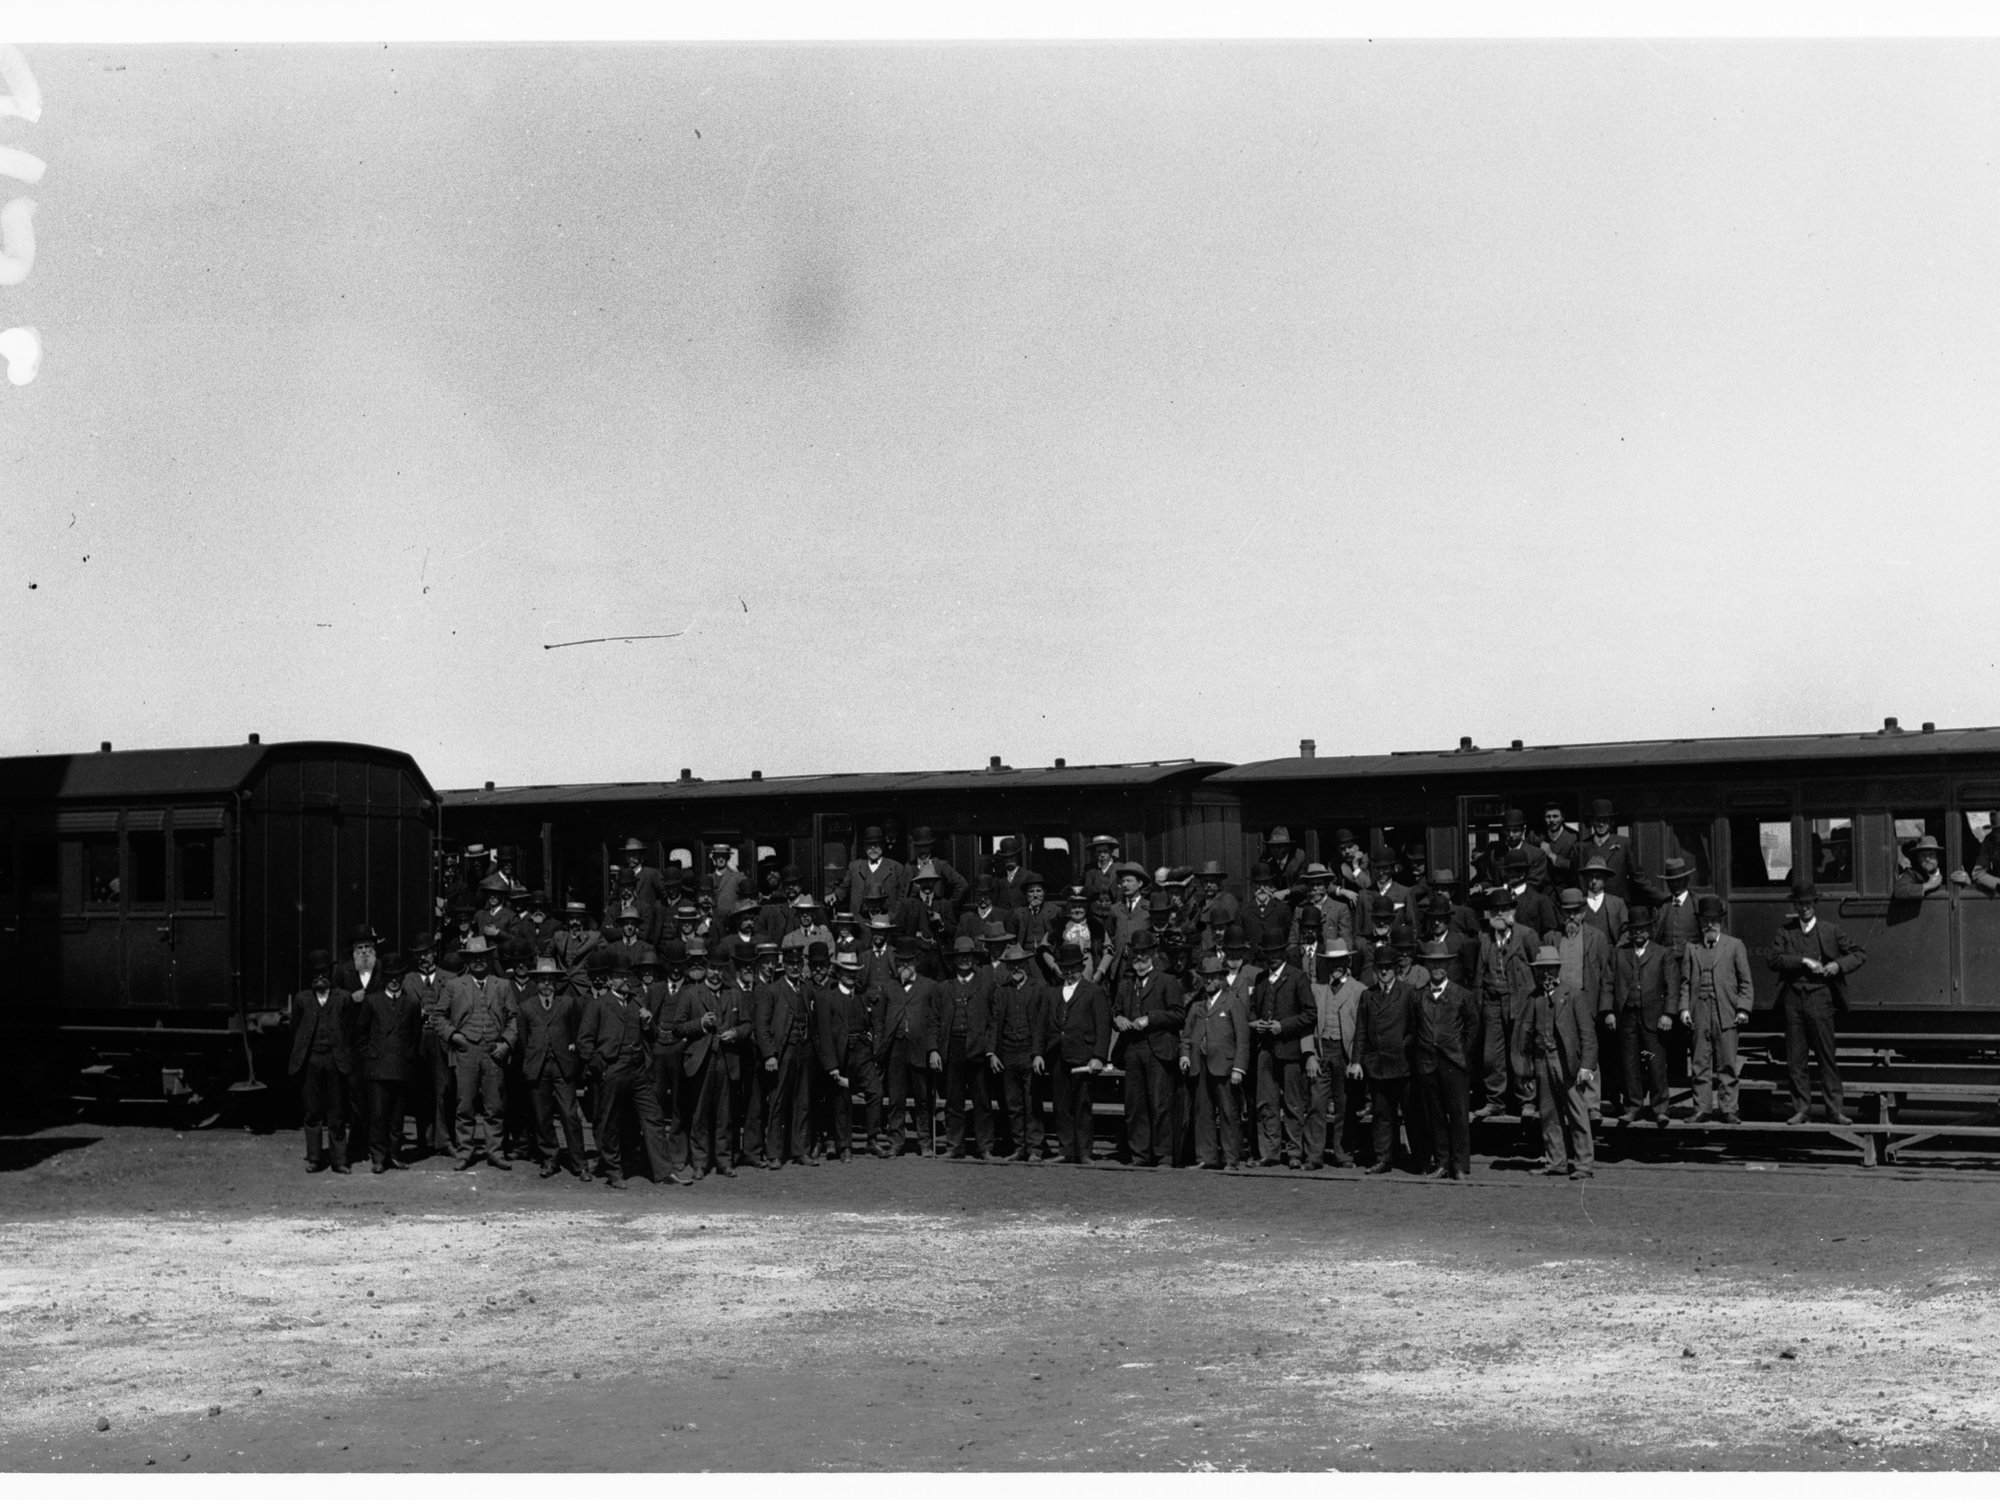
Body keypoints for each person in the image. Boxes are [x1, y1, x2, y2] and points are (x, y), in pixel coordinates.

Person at [578, 949, 686, 1187]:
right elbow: (584, 1042)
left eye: (627, 975)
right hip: (612, 1068)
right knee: (609, 1121)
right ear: (609, 980)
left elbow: (653, 1035)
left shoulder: (637, 1002)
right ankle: (614, 1172)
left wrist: (648, 1023)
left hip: (638, 1070)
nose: (625, 980)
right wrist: (601, 1067)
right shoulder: (599, 1005)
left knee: (653, 1116)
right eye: (620, 976)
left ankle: (664, 1171)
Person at [1770, 874, 1865, 1125]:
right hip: (1793, 1000)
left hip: (1821, 999)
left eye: (1808, 903)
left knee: (1826, 1056)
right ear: (1795, 906)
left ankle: (1834, 1111)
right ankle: (1802, 1110)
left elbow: (1858, 953)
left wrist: (1837, 965)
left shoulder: (1830, 930)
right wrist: (1802, 961)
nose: (1804, 908)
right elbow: (1774, 959)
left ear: (1815, 904)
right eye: (1800, 904)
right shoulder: (1785, 931)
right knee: (1796, 1059)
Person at [439, 937, 519, 1172]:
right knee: (465, 1105)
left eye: (482, 957)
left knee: (495, 1106)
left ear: (488, 958)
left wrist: (506, 1043)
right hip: (467, 1051)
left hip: (494, 1051)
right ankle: (465, 1151)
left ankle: (495, 1152)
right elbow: (438, 1016)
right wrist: (454, 1036)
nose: (478, 961)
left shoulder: (502, 985)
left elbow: (514, 1018)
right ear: (467, 960)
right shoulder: (454, 985)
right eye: (473, 958)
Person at [1518, 944, 1599, 1178]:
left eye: (1551, 969)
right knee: (1549, 1113)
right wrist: (1525, 1069)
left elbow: (1588, 1035)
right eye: (1542, 970)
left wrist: (1586, 1066)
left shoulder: (1573, 995)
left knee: (1577, 1112)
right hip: (1542, 1060)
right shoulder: (1534, 998)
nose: (1546, 974)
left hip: (1567, 1062)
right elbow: (1524, 1035)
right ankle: (1556, 1162)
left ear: (1558, 969)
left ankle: (1583, 1165)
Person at [1111, 929, 1185, 1168]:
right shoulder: (1125, 984)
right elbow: (1115, 1011)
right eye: (1135, 953)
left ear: (1152, 953)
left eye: (1144, 953)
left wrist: (1150, 1019)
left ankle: (1163, 1156)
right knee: (1135, 1106)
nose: (1139, 958)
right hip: (1132, 1049)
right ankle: (1139, 1155)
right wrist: (1118, 1019)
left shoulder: (1166, 981)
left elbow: (1179, 1015)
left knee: (1160, 1104)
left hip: (1158, 1050)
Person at [1680, 895, 1753, 1122]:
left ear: (1720, 922)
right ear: (1700, 923)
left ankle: (1728, 1109)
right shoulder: (1692, 948)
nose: (1709, 925)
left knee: (1727, 1063)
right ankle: (1702, 1108)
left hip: (1726, 1011)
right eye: (1705, 921)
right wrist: (1684, 1009)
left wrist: (1743, 1009)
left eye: (1713, 921)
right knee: (1699, 1063)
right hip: (1699, 1011)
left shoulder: (1734, 945)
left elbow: (1746, 982)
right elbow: (1685, 983)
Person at [515, 954, 590, 1177]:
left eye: (550, 979)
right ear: (536, 982)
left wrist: (571, 1058)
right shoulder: (526, 1006)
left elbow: (576, 1033)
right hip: (538, 1067)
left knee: (570, 1114)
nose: (546, 984)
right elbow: (523, 1039)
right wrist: (532, 1059)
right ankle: (550, 1158)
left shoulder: (567, 1003)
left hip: (562, 1067)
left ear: (556, 982)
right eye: (542, 980)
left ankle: (579, 1163)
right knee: (542, 1116)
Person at [1411, 941, 1479, 1179]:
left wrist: (1462, 1052)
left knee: (1458, 1115)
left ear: (1448, 965)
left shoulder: (1462, 995)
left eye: (1441, 963)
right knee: (1435, 1115)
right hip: (1428, 1063)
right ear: (1426, 966)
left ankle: (1459, 1165)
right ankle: (1442, 1163)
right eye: (1433, 964)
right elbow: (1414, 1028)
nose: (1437, 968)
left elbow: (1473, 1027)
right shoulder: (1418, 996)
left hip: (1454, 1063)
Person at [1248, 930, 1316, 1168]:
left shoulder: (1298, 977)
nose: (1272, 957)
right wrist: (1255, 1023)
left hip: (1289, 1050)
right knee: (1266, 1103)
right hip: (1265, 1050)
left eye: (1276, 952)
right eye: (1269, 953)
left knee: (1293, 1104)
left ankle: (1295, 1152)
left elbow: (1310, 1014)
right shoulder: (1260, 979)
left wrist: (1283, 1027)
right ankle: (1270, 1152)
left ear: (1283, 952)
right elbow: (1252, 1010)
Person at [1547, 888, 1615, 1122]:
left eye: (1576, 912)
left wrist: (1605, 1008)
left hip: (1586, 1001)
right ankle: (1566, 1103)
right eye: (1567, 912)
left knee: (1589, 1050)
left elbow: (1607, 976)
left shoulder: (1597, 937)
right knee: (1562, 1051)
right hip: (1559, 1002)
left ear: (1584, 912)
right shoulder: (1551, 937)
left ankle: (1592, 1104)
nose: (1571, 917)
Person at [1180, 954, 1250, 1171]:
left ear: (1221, 978)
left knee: (1228, 1112)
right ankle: (1206, 1157)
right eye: (1205, 977)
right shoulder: (1197, 1006)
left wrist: (1239, 1067)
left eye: (1213, 977)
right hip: (1199, 1066)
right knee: (1203, 1113)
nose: (1209, 981)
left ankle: (1231, 1159)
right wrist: (1184, 1054)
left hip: (1225, 1067)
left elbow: (1242, 1038)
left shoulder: (1232, 1002)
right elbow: (1186, 1035)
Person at [356, 952, 423, 1173]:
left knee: (397, 1117)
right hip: (377, 1069)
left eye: (398, 976)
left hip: (401, 1068)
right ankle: (378, 1157)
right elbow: (361, 1034)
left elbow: (415, 1036)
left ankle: (394, 1155)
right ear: (384, 977)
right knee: (378, 1116)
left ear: (403, 977)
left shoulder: (411, 1003)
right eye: (390, 976)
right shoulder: (372, 1001)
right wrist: (370, 1055)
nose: (394, 980)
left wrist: (408, 1059)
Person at [930, 936, 996, 1159]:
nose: (964, 960)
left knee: (982, 1101)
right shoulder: (943, 988)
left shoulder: (986, 986)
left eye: (968, 956)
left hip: (978, 1049)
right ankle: (954, 1146)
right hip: (952, 1048)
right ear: (954, 959)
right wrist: (934, 1050)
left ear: (974, 958)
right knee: (953, 1101)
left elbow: (994, 1021)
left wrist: (989, 1049)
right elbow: (934, 1021)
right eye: (960, 956)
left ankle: (984, 1147)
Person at [1044, 942, 1111, 1163]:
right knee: (1061, 1105)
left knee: (1082, 1105)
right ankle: (1066, 1150)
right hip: (1058, 1055)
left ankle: (1084, 1152)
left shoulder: (1094, 992)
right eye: (1065, 968)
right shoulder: (1054, 992)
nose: (1069, 972)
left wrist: (1098, 1057)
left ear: (1081, 968)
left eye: (1073, 968)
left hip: (1083, 1056)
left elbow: (1103, 1026)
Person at [290, 949, 355, 1174]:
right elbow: (295, 1031)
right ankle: (314, 1158)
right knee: (312, 1112)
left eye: (324, 972)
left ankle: (340, 1160)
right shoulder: (302, 999)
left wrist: (345, 1058)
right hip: (311, 1061)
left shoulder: (343, 998)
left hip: (335, 1061)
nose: (320, 976)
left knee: (337, 1113)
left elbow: (350, 1031)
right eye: (316, 973)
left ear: (330, 972)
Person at [1472, 892, 1537, 1119]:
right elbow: (1479, 974)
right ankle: (1495, 1101)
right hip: (1492, 1002)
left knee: (1521, 1052)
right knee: (1492, 1056)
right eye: (1495, 910)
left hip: (1519, 1001)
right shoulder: (1484, 937)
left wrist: (1534, 1004)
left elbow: (1537, 970)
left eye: (1504, 909)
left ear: (1513, 911)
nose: (1500, 913)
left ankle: (1527, 1101)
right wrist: (1478, 1005)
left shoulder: (1526, 935)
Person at [1350, 953, 1415, 1174]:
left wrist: (1405, 1044)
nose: (1384, 972)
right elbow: (1360, 1030)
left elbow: (1415, 1027)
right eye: (1380, 968)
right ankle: (1383, 1159)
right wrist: (1356, 1061)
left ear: (1395, 969)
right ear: (1375, 970)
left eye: (1388, 967)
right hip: (1377, 1064)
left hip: (1403, 1064)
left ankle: (1420, 1159)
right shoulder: (1368, 995)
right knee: (1382, 1115)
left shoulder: (1408, 992)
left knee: (1411, 1113)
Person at [1300, 941, 1363, 1169]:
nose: (1336, 966)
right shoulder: (1317, 989)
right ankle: (1313, 1156)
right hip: (1321, 1051)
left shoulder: (1359, 990)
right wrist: (1309, 1054)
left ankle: (1343, 1154)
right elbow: (1307, 1023)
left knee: (1344, 1106)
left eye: (1340, 961)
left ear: (1348, 962)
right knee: (1316, 1104)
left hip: (1345, 1054)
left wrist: (1356, 1060)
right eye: (1331, 962)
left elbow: (1361, 1030)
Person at [814, 949, 882, 1160]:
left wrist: (871, 1042)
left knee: (876, 1092)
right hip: (841, 1054)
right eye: (846, 971)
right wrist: (832, 1065)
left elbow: (871, 1023)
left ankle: (872, 1139)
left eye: (854, 971)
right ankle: (845, 1146)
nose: (851, 975)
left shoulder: (861, 996)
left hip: (862, 1052)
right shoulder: (828, 998)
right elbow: (824, 1034)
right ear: (838, 972)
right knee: (842, 1099)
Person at [753, 942, 815, 1168]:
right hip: (783, 1051)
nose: (794, 967)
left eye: (798, 963)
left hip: (804, 1051)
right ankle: (775, 1154)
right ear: (784, 965)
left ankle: (801, 1150)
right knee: (778, 1101)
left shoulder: (807, 989)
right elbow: (761, 1026)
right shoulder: (773, 990)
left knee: (803, 1102)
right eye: (790, 964)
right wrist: (769, 1054)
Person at [875, 938, 938, 1157]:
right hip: (895, 1048)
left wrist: (933, 1049)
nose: (904, 966)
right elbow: (879, 1020)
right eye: (900, 962)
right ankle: (895, 1141)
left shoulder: (929, 986)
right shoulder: (889, 987)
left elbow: (934, 1020)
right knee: (896, 1098)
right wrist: (879, 1047)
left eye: (908, 962)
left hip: (920, 1048)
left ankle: (925, 1142)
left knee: (923, 1098)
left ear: (916, 962)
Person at [1612, 914, 1678, 1125]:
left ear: (1649, 930)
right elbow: (1607, 983)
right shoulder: (1619, 953)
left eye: (1642, 929)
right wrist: (1609, 1012)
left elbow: (1672, 986)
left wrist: (1668, 1013)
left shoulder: (1662, 953)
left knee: (1654, 1061)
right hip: (1627, 1017)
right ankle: (1632, 1107)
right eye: (1634, 929)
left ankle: (1660, 1109)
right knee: (1630, 1063)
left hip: (1653, 1019)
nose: (1638, 933)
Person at [989, 941, 1049, 1159]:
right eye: (1011, 965)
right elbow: (994, 1022)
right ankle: (1019, 1146)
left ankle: (1035, 1148)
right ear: (1006, 967)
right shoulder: (1002, 991)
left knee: (1032, 1103)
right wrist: (992, 1052)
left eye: (1019, 964)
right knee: (1013, 1104)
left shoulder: (1038, 988)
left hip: (1029, 1052)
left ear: (1026, 964)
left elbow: (1043, 1023)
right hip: (1008, 1053)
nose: (1016, 968)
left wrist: (1039, 1053)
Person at [403, 935, 454, 1159]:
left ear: (434, 953)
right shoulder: (408, 980)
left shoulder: (449, 979)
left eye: (426, 953)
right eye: (419, 954)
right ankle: (425, 1139)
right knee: (421, 1091)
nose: (423, 958)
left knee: (443, 1090)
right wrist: (417, 1013)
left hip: (441, 1039)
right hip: (419, 1039)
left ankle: (444, 1140)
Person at [837, 826, 907, 915]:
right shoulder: (854, 867)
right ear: (864, 847)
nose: (873, 847)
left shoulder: (896, 868)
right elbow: (844, 888)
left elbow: (902, 897)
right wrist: (835, 895)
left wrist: (895, 916)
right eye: (869, 844)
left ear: (882, 845)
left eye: (876, 844)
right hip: (860, 919)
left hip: (886, 919)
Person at [906, 826, 971, 907]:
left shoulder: (940, 866)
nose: (922, 850)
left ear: (931, 846)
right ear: (914, 847)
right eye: (919, 847)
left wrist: (948, 906)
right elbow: (902, 895)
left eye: (926, 847)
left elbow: (962, 885)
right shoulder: (909, 867)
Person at [1578, 857, 1628, 946]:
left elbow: (1627, 931)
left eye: (1598, 877)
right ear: (1586, 879)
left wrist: (1618, 949)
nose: (1594, 881)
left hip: (1611, 951)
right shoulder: (1579, 903)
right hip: (1585, 950)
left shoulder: (1617, 903)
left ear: (1605, 879)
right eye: (1590, 877)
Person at [1533, 802, 1579, 893]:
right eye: (1548, 817)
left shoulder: (1573, 837)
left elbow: (1574, 865)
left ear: (1562, 817)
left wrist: (1551, 855)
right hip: (1543, 891)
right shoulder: (1537, 837)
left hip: (1566, 889)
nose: (1551, 820)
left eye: (1555, 816)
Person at [1892, 835, 1946, 901]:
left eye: (1931, 854)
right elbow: (1899, 890)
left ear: (1937, 857)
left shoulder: (1946, 873)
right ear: (1918, 858)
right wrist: (1928, 885)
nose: (1927, 859)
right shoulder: (1912, 874)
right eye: (1923, 855)